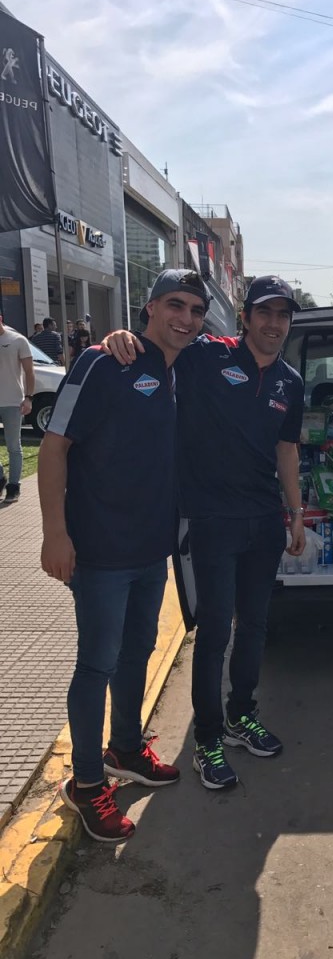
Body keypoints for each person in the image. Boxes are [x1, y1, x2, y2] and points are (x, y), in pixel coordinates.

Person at [103, 275, 306, 791]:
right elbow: (161, 345)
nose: (274, 324)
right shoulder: (208, 356)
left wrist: (296, 512)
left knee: (255, 625)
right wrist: (118, 337)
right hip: (209, 520)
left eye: (283, 315)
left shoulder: (289, 381)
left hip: (263, 521)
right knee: (214, 630)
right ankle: (208, 741)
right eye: (265, 313)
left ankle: (241, 715)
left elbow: (286, 449)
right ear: (246, 317)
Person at [39, 269, 209, 841]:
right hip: (100, 547)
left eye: (196, 310)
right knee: (98, 663)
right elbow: (55, 447)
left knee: (137, 651)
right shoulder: (103, 361)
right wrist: (54, 533)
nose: (186, 319)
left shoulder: (182, 367)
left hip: (151, 546)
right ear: (150, 308)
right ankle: (86, 783)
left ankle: (127, 749)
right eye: (175, 306)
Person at [0, 309, 34, 503]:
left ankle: (14, 486)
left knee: (14, 446)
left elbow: (29, 372)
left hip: (13, 401)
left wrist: (28, 397)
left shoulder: (17, 340)